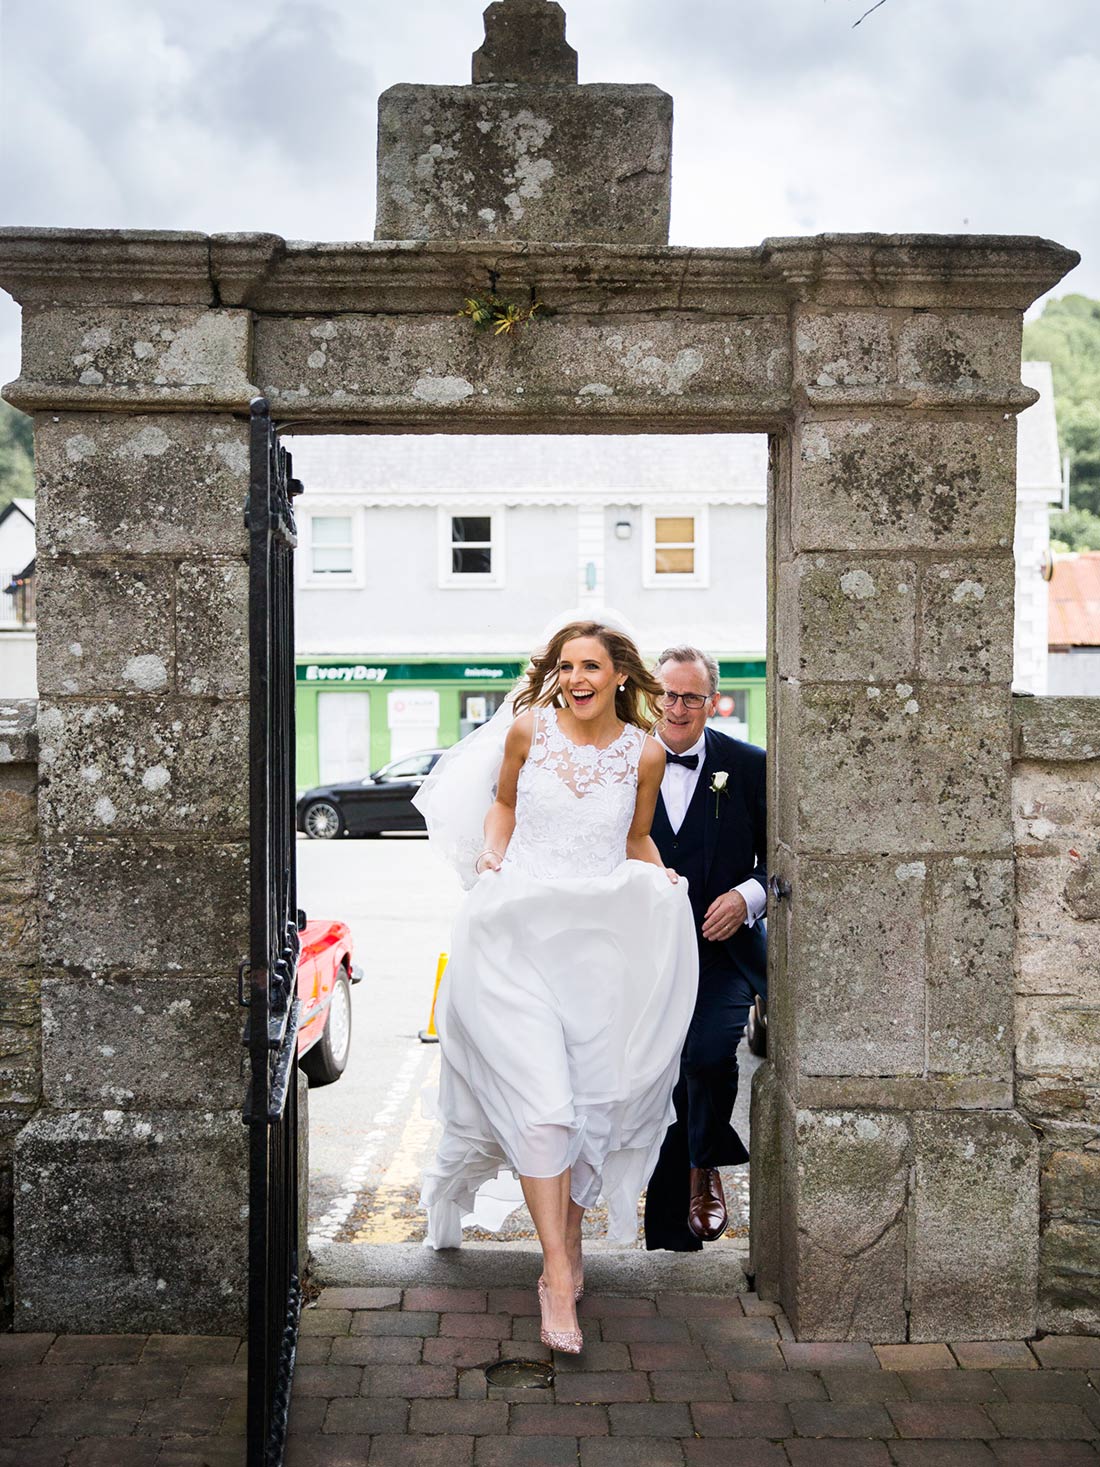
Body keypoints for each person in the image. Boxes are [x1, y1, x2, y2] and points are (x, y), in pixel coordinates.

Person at [416, 621, 698, 1353]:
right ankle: (557, 1275)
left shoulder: (644, 752)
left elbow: (635, 837)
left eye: (591, 666)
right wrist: (492, 852)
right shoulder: (527, 731)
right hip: (517, 936)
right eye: (567, 666)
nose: (576, 679)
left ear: (620, 676)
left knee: (591, 1108)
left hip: (597, 949)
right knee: (544, 1111)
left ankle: (568, 1244)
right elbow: (504, 806)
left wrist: (660, 874)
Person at [642, 645, 767, 1253]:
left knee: (708, 1055)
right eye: (669, 694)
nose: (678, 707)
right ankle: (670, 1224)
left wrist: (747, 897)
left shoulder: (748, 765)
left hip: (723, 951)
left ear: (713, 702)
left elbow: (783, 859)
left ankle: (704, 1163)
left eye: (692, 696)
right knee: (660, 1073)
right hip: (642, 953)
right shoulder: (623, 763)